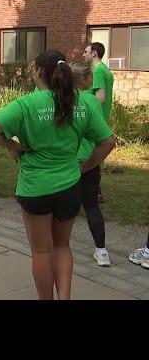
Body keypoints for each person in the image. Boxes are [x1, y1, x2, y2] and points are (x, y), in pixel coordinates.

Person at [0, 50, 115, 300]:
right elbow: (107, 142)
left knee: (42, 252)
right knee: (62, 246)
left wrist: (12, 146)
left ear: (40, 72)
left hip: (35, 187)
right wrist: (85, 167)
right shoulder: (83, 101)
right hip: (69, 185)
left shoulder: (27, 103)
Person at [70, 62, 111, 267]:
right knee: (92, 206)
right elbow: (102, 134)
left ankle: (58, 247)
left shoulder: (61, 99)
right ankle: (102, 251)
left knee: (64, 207)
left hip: (66, 161)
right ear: (84, 80)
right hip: (89, 160)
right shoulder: (92, 102)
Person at [83, 41, 114, 203]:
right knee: (97, 156)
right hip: (101, 118)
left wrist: (82, 107)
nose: (83, 55)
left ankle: (95, 192)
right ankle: (97, 192)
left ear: (94, 53)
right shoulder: (105, 70)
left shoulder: (98, 71)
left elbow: (100, 98)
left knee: (92, 155)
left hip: (95, 119)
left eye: (86, 52)